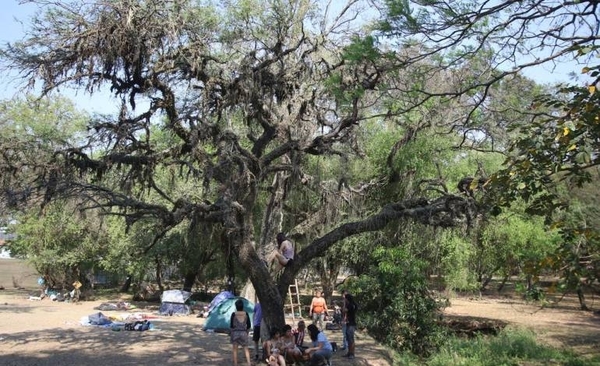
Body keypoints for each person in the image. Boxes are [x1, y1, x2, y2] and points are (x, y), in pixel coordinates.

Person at [230, 299, 252, 366]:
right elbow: (249, 325)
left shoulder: (233, 314)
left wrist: (231, 333)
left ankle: (235, 364)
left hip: (235, 333)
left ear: (236, 306)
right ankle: (249, 363)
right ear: (243, 306)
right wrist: (246, 332)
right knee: (246, 348)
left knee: (235, 349)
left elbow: (231, 325)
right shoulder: (246, 314)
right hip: (244, 333)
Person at [343, 293, 358, 360]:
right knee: (349, 339)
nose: (344, 299)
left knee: (351, 339)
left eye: (345, 298)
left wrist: (344, 304)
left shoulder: (350, 305)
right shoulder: (353, 305)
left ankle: (352, 353)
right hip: (350, 323)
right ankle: (349, 352)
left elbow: (344, 310)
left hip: (351, 324)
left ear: (347, 299)